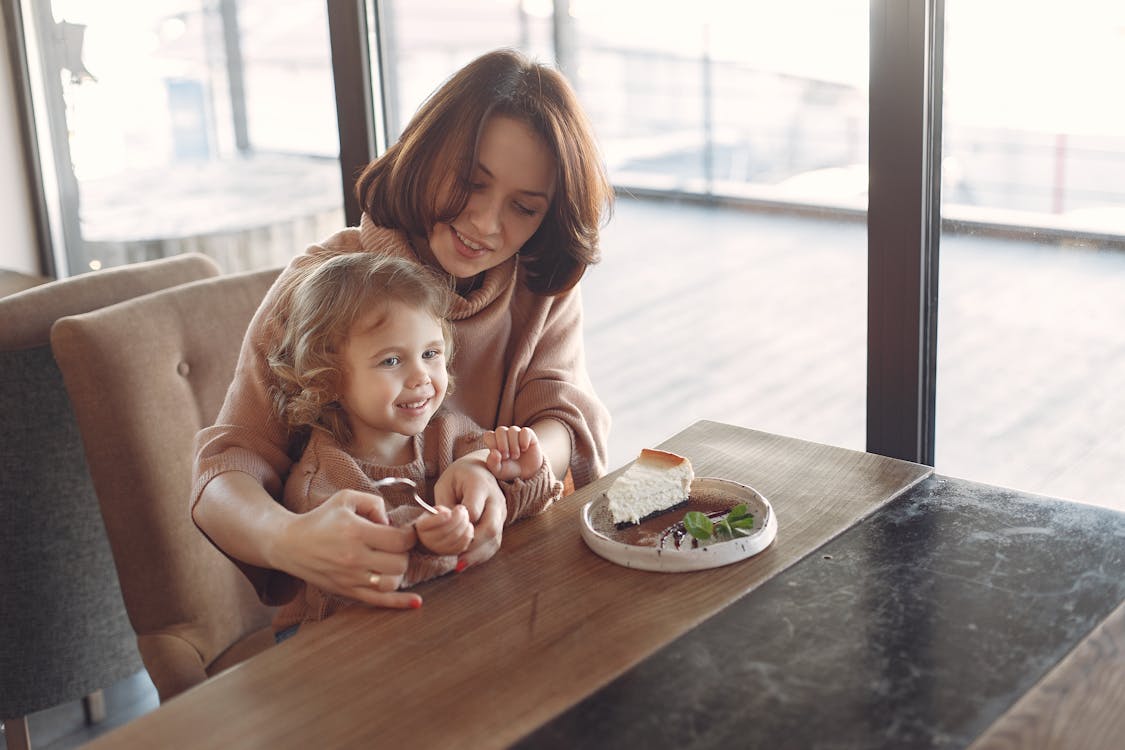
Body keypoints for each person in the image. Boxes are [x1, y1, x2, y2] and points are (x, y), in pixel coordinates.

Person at [191, 47, 614, 611]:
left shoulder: (538, 280)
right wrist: (287, 539)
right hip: (355, 620)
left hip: (505, 588)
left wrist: (497, 469)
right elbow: (228, 466)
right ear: (427, 153)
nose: (486, 225)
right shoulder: (321, 284)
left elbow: (563, 421)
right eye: (471, 181)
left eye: (524, 208)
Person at [268, 252, 561, 625]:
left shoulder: (451, 433)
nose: (421, 376)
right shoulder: (321, 485)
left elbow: (512, 516)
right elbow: (358, 587)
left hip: (445, 621)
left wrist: (519, 473)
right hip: (335, 645)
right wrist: (422, 540)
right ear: (329, 378)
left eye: (430, 353)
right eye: (392, 361)